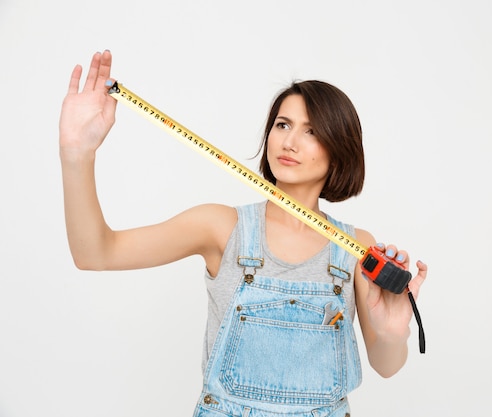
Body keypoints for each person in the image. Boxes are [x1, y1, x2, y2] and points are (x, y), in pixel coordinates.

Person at [59, 50, 428, 417]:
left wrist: (392, 332)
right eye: (282, 125)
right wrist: (77, 153)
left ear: (339, 149)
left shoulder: (356, 247)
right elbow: (96, 253)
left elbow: (387, 366)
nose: (289, 141)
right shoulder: (220, 227)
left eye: (311, 131)